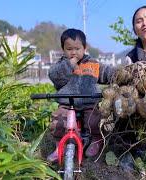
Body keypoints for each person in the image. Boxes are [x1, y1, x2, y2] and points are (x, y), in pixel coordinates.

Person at [47, 28, 114, 162]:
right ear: (63, 49)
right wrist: (69, 65)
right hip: (67, 104)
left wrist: (119, 74)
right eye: (69, 49)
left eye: (77, 49)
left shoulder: (93, 64)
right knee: (58, 123)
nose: (73, 52)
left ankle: (96, 140)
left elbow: (108, 73)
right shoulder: (61, 65)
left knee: (95, 121)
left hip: (89, 103)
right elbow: (54, 76)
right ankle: (59, 146)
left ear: (85, 48)